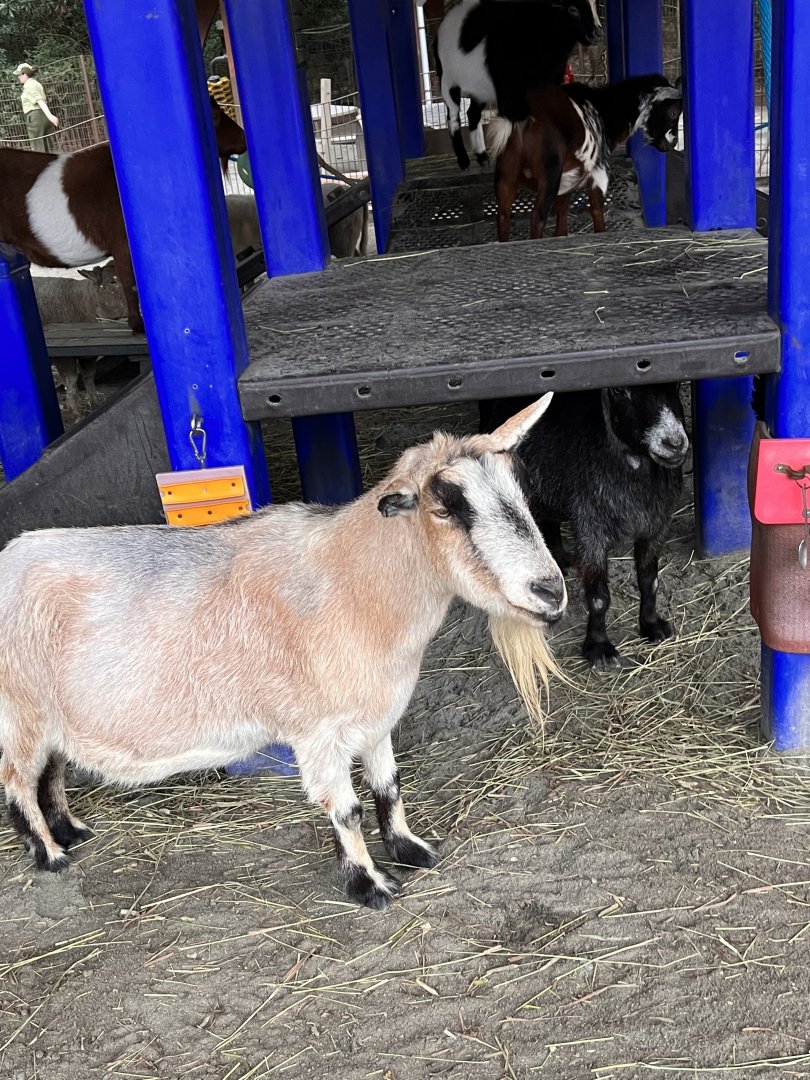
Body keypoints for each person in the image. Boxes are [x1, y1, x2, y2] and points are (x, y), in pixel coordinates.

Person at [13, 63, 59, 152]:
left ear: (24, 74)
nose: (18, 77)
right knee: (49, 147)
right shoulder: (36, 83)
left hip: (35, 118)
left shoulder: (30, 86)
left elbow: (39, 100)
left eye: (19, 75)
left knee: (38, 148)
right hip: (43, 117)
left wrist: (50, 116)